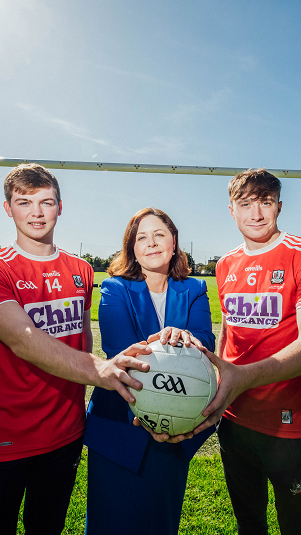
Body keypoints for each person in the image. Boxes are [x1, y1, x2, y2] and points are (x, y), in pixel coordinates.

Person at [0, 163, 152, 535]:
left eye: (46, 202)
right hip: (1, 438)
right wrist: (102, 371)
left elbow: (81, 333)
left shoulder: (81, 269)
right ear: (7, 208)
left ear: (60, 207)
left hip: (64, 434)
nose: (36, 212)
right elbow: (23, 339)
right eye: (24, 202)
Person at [192, 168, 301, 535]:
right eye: (246, 204)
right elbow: (228, 332)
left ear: (279, 206)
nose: (256, 214)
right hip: (235, 421)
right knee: (249, 525)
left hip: (289, 423)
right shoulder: (226, 264)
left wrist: (242, 378)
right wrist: (220, 385)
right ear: (232, 211)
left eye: (265, 203)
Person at [84, 208, 216, 535]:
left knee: (160, 523)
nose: (152, 243)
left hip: (175, 429)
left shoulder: (195, 288)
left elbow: (206, 340)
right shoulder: (115, 288)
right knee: (108, 524)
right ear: (132, 248)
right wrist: (174, 341)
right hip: (118, 426)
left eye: (159, 234)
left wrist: (188, 337)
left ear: (174, 243)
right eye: (141, 237)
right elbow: (121, 350)